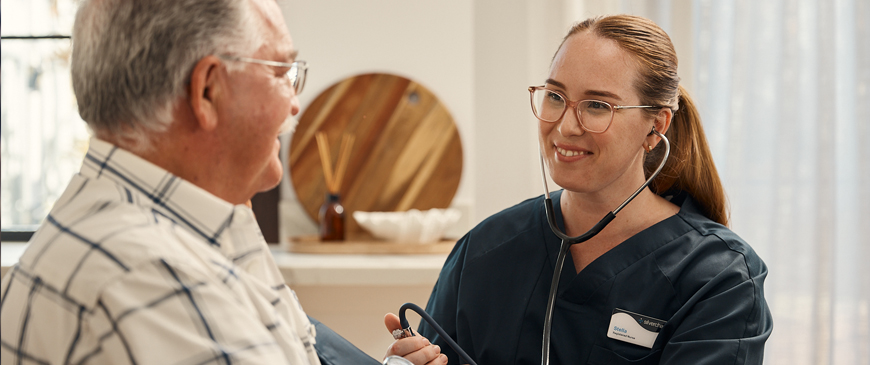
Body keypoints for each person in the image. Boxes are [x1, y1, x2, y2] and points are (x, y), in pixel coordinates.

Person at [0, 0, 446, 364]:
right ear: (208, 90)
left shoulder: (186, 222)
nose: (295, 103)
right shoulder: (157, 280)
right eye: (280, 73)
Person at [419, 15, 772, 364]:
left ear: (655, 126)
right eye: (555, 96)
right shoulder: (484, 250)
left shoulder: (720, 278)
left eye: (597, 105)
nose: (566, 125)